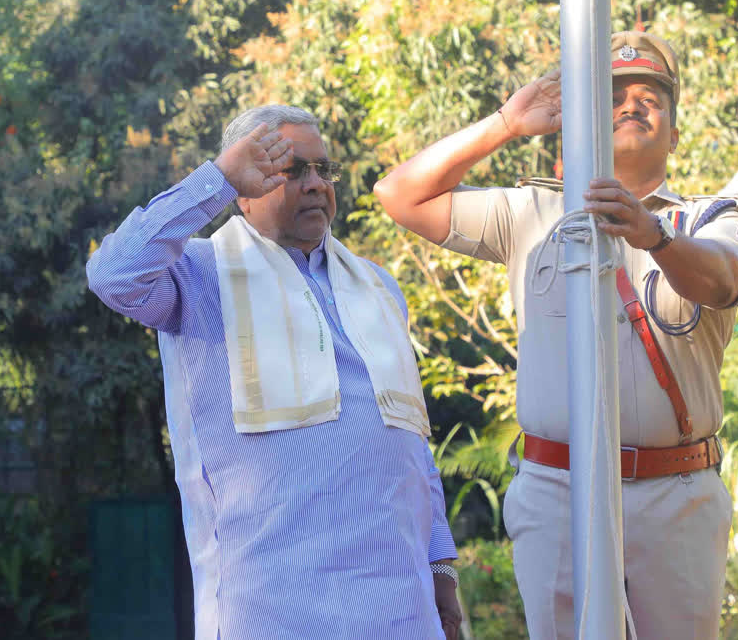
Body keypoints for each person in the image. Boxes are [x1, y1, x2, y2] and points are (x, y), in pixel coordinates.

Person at [373, 31, 738, 639]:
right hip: (559, 488)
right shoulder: (530, 211)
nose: (633, 104)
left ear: (676, 132)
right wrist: (506, 123)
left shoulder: (714, 217)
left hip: (676, 490)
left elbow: (724, 280)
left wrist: (652, 234)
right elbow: (398, 195)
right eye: (613, 96)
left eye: (651, 97)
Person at [87, 105, 462, 640]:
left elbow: (408, 434)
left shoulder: (377, 288)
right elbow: (112, 274)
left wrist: (440, 563)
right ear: (245, 189)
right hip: (275, 609)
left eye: (322, 170)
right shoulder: (199, 276)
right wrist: (214, 179)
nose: (314, 185)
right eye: (291, 171)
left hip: (400, 606)